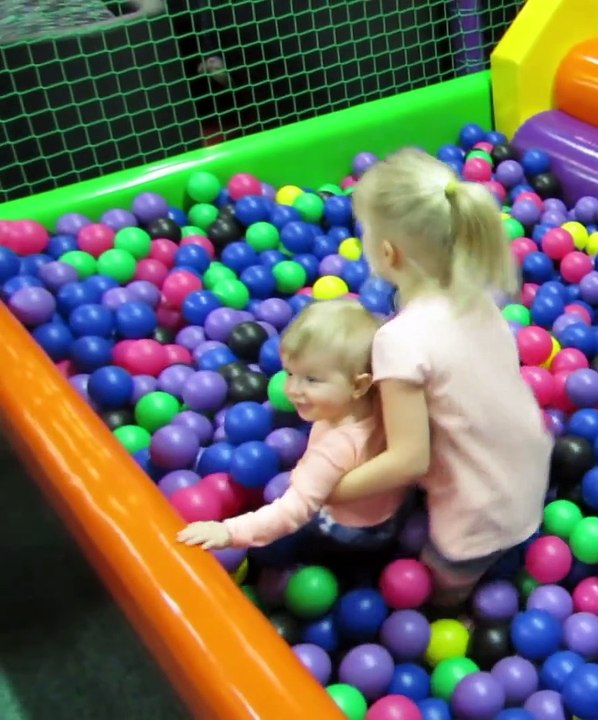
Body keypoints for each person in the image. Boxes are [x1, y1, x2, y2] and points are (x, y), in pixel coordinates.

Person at [326, 147, 552, 610]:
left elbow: (408, 460)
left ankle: (458, 606)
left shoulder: (400, 340)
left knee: (426, 597)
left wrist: (327, 488)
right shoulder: (479, 300)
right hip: (528, 482)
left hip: (479, 518)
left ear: (388, 253)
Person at [176, 299, 411, 570]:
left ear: (359, 384)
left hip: (349, 528)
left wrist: (229, 532)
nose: (292, 389)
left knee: (325, 555)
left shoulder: (334, 449)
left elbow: (293, 510)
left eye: (311, 379)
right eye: (289, 372)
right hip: (389, 509)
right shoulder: (391, 402)